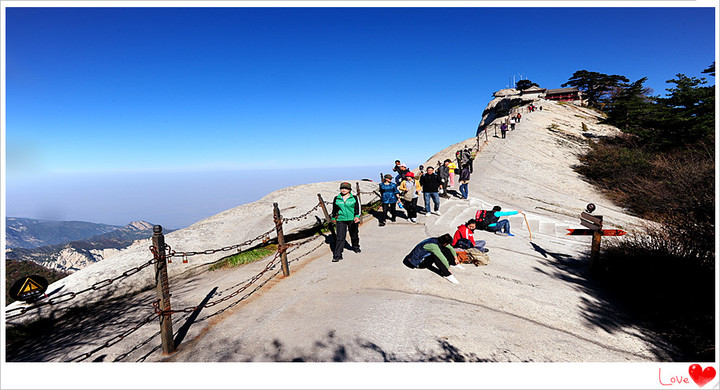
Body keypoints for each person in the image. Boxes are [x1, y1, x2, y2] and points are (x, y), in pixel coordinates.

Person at [330, 182, 361, 262]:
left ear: (349, 190)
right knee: (340, 237)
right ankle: (337, 255)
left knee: (354, 235)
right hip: (341, 219)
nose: (343, 190)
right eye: (342, 188)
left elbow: (357, 208)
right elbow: (334, 209)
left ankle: (356, 247)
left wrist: (357, 216)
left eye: (346, 188)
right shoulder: (337, 198)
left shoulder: (354, 197)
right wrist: (333, 217)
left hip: (352, 219)